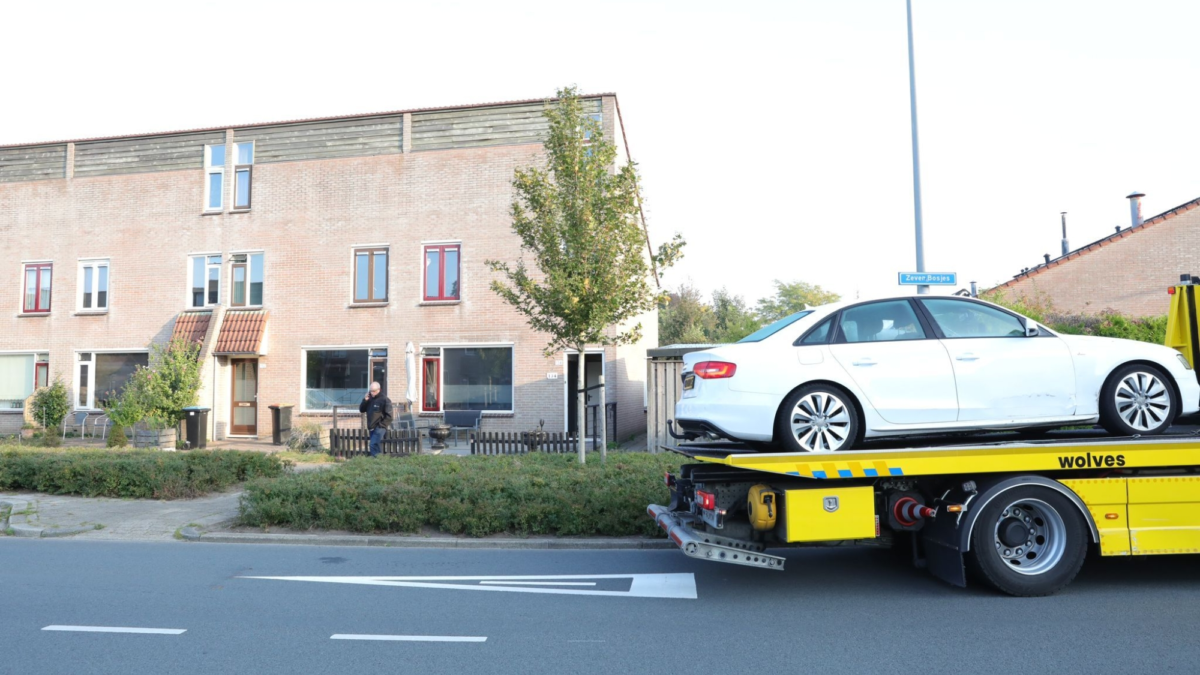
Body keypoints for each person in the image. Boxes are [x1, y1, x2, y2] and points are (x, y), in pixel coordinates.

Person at [359, 381, 393, 458]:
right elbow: (361, 410)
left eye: (373, 391)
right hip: (371, 427)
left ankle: (374, 462)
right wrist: (365, 400)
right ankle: (379, 462)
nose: (372, 393)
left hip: (379, 427)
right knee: (376, 445)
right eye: (370, 391)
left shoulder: (385, 400)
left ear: (379, 390)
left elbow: (389, 416)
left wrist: (381, 425)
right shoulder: (369, 399)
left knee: (372, 444)